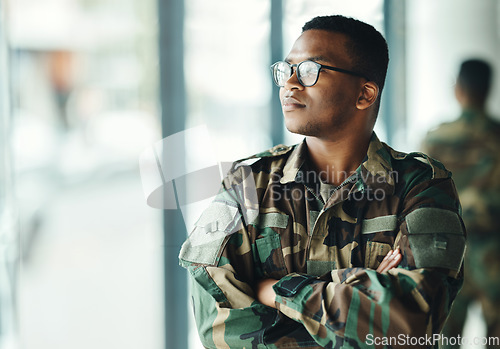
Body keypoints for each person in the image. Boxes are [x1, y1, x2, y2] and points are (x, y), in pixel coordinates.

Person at [180, 15, 465, 348]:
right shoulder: (249, 184)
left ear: (365, 93)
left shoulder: (421, 186)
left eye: (310, 70)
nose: (290, 84)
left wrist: (276, 289)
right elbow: (217, 325)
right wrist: (360, 300)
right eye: (286, 70)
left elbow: (409, 321)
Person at [421, 59, 500, 348]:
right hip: (495, 251)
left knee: (445, 336)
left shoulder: (435, 138)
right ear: (488, 89)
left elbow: (422, 200)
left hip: (449, 254)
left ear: (459, 89)